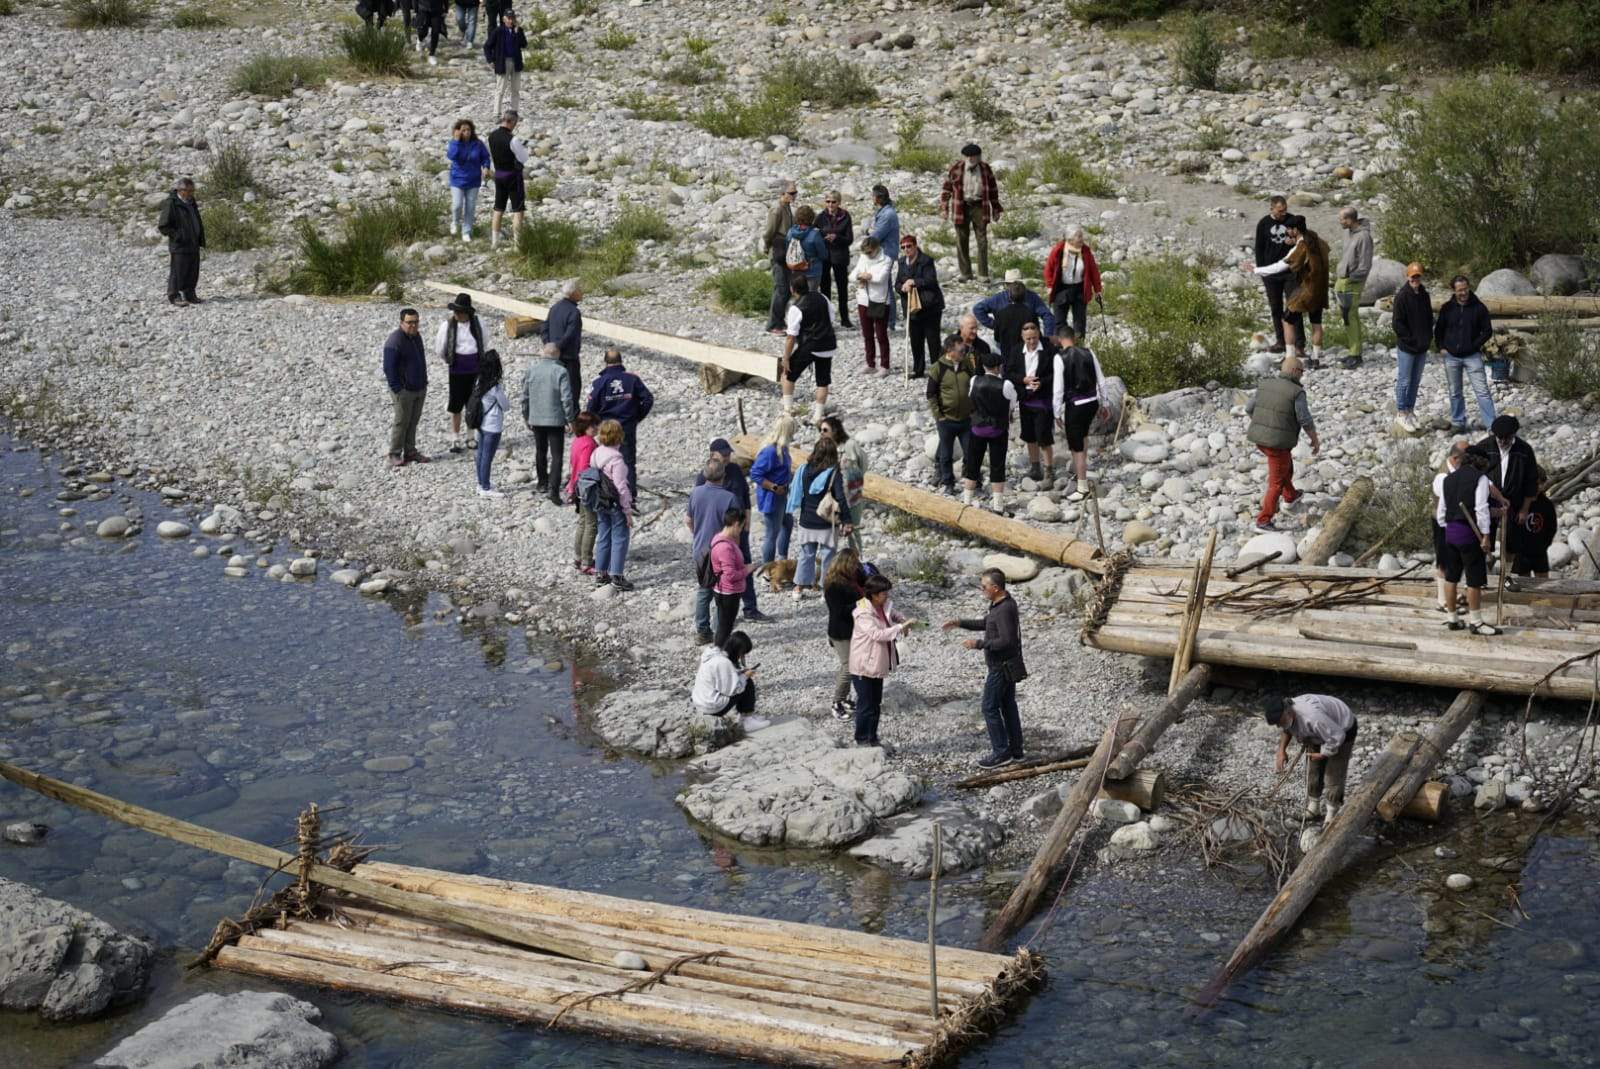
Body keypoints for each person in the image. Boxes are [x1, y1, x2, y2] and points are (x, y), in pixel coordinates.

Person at [943, 568, 1025, 769]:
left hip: (1001, 667)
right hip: (1005, 666)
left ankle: (1001, 752)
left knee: (989, 708)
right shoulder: (999, 605)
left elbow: (1007, 640)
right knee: (1008, 706)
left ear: (995, 588)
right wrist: (960, 623)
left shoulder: (1004, 609)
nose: (982, 590)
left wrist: (979, 644)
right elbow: (986, 624)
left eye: (984, 587)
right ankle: (1016, 751)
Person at [1244, 354, 1319, 534]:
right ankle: (1263, 520)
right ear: (1294, 371)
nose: (1302, 375)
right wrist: (1314, 439)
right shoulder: (1296, 392)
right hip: (1276, 444)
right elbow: (1304, 419)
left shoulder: (1265, 384)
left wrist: (1262, 424)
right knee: (1276, 482)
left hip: (1261, 440)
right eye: (1301, 371)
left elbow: (1248, 408)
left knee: (1285, 467)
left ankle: (1291, 496)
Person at [1434, 443, 1500, 634]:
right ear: (1481, 463)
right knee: (1474, 579)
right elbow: (1481, 509)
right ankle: (1476, 622)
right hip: (1469, 535)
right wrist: (1486, 535)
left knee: (1451, 577)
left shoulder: (1448, 479)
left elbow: (1441, 512)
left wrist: (1449, 528)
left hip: (1450, 534)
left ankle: (1452, 618)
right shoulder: (1479, 479)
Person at [1246, 215, 1328, 367]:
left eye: (1289, 229)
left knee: (1286, 320)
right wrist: (1295, 242)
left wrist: (1256, 269)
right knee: (1316, 323)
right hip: (1321, 289)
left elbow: (1281, 265)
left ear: (1295, 230)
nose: (1288, 232)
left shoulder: (1301, 246)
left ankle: (1290, 357)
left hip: (1307, 289)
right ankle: (1316, 359)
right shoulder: (1317, 241)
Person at [1264, 693, 1357, 825]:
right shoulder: (1288, 715)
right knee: (1313, 770)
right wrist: (1281, 751)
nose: (1279, 726)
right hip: (1316, 733)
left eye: (1280, 722)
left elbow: (1337, 736)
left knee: (1333, 773)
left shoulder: (1312, 717)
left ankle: (1331, 815)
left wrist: (1324, 754)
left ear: (1288, 712)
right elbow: (1287, 729)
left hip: (1341, 729)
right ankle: (1314, 809)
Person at [699, 439, 766, 623]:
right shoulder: (705, 476)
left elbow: (745, 498)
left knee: (746, 568)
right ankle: (721, 615)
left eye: (729, 452)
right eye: (724, 453)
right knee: (721, 573)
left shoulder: (735, 470)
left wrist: (747, 525)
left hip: (739, 530)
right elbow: (700, 507)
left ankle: (750, 608)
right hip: (720, 535)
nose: (728, 456)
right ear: (713, 454)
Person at [850, 573, 915, 748]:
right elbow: (876, 634)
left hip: (877, 663)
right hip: (863, 665)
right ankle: (862, 738)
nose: (887, 596)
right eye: (884, 593)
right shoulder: (863, 613)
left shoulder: (882, 605)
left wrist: (902, 619)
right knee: (865, 703)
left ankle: (872, 736)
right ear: (874, 594)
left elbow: (891, 613)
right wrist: (901, 627)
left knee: (876, 702)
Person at [787, 435, 852, 598]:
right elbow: (841, 498)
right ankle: (826, 589)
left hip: (807, 521)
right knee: (828, 557)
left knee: (806, 555)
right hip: (826, 522)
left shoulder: (803, 469)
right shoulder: (833, 473)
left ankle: (798, 588)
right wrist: (847, 520)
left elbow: (798, 493)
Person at [585, 347, 653, 499]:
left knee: (605, 460)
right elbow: (648, 399)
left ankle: (608, 495)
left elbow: (590, 408)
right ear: (621, 360)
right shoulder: (632, 379)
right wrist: (637, 416)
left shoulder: (598, 382)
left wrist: (598, 424)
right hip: (627, 425)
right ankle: (630, 498)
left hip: (606, 426)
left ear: (605, 362)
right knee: (628, 461)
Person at [1435, 274, 1496, 434]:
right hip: (1451, 356)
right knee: (1455, 391)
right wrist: (1441, 347)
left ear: (1469, 287)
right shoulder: (1447, 308)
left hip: (1472, 356)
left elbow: (1487, 331)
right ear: (1453, 290)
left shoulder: (1479, 307)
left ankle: (1491, 425)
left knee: (1482, 390)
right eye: (1460, 290)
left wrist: (1474, 345)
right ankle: (1458, 423)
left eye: (1465, 289)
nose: (1463, 293)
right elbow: (1439, 329)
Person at [1054, 324, 1108, 504]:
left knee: (1076, 447)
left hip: (1075, 404)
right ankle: (1080, 475)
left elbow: (1058, 389)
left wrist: (1057, 412)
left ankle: (1082, 487)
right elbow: (1100, 378)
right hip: (1092, 402)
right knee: (1083, 438)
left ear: (1059, 339)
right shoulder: (1089, 352)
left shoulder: (1060, 357)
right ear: (1074, 338)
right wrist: (1105, 402)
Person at [686, 457, 738, 644]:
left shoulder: (696, 493)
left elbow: (689, 521)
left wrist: (698, 534)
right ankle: (720, 632)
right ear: (723, 475)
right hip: (722, 550)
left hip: (700, 549)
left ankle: (702, 631)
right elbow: (735, 528)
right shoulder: (729, 498)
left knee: (704, 591)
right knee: (723, 593)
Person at [963, 350, 1018, 512]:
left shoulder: (974, 380)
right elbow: (1012, 404)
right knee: (997, 466)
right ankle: (998, 505)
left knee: (973, 464)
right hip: (997, 429)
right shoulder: (1006, 385)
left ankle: (966, 501)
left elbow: (971, 398)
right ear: (998, 367)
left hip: (977, 428)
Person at [939, 143, 1003, 282]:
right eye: (969, 156)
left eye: (974, 156)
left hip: (980, 205)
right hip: (961, 206)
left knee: (982, 240)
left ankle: (983, 274)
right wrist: (944, 208)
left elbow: (993, 190)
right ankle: (966, 273)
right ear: (965, 157)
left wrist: (996, 209)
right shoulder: (956, 169)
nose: (971, 158)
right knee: (961, 240)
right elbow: (946, 190)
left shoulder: (985, 169)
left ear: (979, 156)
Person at [521, 342, 574, 505]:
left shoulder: (531, 370)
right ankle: (553, 488)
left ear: (543, 353)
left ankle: (542, 483)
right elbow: (566, 398)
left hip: (536, 417)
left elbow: (525, 397)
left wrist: (526, 416)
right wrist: (570, 418)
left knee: (540, 450)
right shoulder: (561, 371)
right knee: (557, 455)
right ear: (557, 354)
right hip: (555, 419)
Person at [781, 277, 837, 426]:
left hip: (811, 344)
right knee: (822, 381)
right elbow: (832, 317)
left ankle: (788, 410)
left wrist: (786, 358)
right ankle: (818, 416)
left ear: (792, 289)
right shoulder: (822, 297)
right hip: (829, 343)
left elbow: (790, 337)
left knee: (787, 375)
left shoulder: (796, 308)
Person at [1010, 321, 1059, 488]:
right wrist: (1022, 379)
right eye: (1028, 338)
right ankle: (1035, 466)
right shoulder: (1016, 351)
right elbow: (1008, 372)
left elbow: (1056, 373)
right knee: (1029, 435)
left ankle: (1049, 470)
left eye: (1034, 337)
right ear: (1023, 337)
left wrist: (1043, 383)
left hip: (1042, 400)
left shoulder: (1049, 350)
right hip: (1025, 399)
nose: (1032, 341)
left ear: (1039, 334)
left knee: (1044, 437)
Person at [1479, 413, 1538, 550]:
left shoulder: (1525, 450)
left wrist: (1525, 509)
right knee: (1484, 539)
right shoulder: (1483, 448)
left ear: (1514, 435)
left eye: (1508, 438)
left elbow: (1531, 481)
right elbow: (1474, 475)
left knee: (1513, 542)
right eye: (1500, 438)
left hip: (1514, 500)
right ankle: (1487, 566)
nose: (1504, 442)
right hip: (1488, 501)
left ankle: (1507, 570)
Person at [436, 292, 485, 452]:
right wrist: (450, 360)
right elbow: (440, 348)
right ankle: (455, 438)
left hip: (474, 369)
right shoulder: (447, 326)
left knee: (472, 404)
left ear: (467, 313)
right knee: (455, 405)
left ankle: (471, 437)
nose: (457, 314)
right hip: (457, 369)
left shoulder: (478, 324)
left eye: (460, 312)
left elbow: (485, 341)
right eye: (455, 311)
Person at [927, 337, 976, 496]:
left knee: (971, 452)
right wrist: (938, 415)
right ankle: (948, 482)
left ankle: (973, 481)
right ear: (950, 351)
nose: (964, 353)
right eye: (961, 351)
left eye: (965, 350)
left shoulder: (967, 364)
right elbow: (931, 394)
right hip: (946, 420)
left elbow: (975, 384)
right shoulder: (937, 368)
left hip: (966, 419)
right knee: (946, 455)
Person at [591, 418, 635, 590]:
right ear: (619, 437)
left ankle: (600, 573)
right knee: (620, 537)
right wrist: (628, 511)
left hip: (600, 500)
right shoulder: (617, 460)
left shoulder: (596, 453)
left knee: (603, 535)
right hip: (615, 503)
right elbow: (621, 488)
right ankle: (617, 574)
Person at [382, 308, 429, 468]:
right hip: (404, 390)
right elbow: (388, 368)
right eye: (410, 322)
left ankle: (410, 451)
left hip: (419, 387)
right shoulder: (395, 341)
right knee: (401, 421)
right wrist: (397, 389)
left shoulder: (417, 337)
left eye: (416, 322)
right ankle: (394, 453)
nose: (413, 325)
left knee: (413, 421)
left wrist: (424, 382)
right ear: (402, 322)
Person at [823, 548, 866, 721]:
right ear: (846, 564)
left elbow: (866, 583)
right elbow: (839, 611)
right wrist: (861, 604)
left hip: (853, 629)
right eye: (854, 562)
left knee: (852, 666)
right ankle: (837, 702)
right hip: (841, 632)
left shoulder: (852, 578)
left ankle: (845, 698)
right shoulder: (834, 585)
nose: (857, 565)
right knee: (848, 667)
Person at [974, 270, 1055, 361]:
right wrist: (994, 325)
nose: (1015, 287)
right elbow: (978, 309)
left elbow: (1047, 316)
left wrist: (1048, 336)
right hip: (1007, 343)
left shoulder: (1031, 297)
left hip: (1028, 343)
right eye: (1012, 284)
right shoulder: (998, 298)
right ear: (1006, 285)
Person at [749, 415, 798, 565]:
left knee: (787, 523)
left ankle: (782, 559)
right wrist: (773, 487)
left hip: (783, 495)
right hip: (772, 497)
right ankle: (767, 569)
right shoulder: (770, 451)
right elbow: (755, 473)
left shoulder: (782, 449)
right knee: (772, 533)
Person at [1391, 262, 1434, 435]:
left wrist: (1428, 337)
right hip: (1407, 347)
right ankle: (1401, 412)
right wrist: (1410, 339)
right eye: (1413, 276)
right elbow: (1397, 324)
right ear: (1408, 277)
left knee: (1415, 381)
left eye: (1418, 276)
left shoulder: (1424, 295)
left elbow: (1429, 317)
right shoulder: (1401, 297)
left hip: (1422, 346)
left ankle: (1410, 410)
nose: (1416, 279)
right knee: (1404, 380)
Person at [895, 234, 944, 378]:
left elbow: (931, 281)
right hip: (912, 307)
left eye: (909, 246)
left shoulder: (926, 261)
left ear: (915, 246)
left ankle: (937, 371)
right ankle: (918, 370)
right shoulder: (902, 262)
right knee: (916, 340)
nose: (906, 249)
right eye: (903, 247)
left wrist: (914, 281)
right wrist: (902, 287)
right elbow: (897, 283)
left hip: (930, 307)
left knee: (933, 340)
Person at [1042, 227, 1103, 342]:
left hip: (1079, 288)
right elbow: (1048, 269)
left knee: (1079, 322)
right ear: (1070, 240)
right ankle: (1062, 346)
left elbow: (1093, 270)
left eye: (1081, 236)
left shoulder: (1085, 251)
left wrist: (1097, 289)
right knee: (1059, 321)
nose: (1081, 239)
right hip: (1061, 288)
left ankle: (1078, 346)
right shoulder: (1059, 250)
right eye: (1078, 237)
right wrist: (1050, 286)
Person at [820, 416, 868, 555]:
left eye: (824, 430)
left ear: (834, 430)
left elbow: (863, 464)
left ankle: (856, 561)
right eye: (820, 430)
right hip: (833, 497)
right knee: (830, 531)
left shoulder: (850, 445)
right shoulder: (825, 447)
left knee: (853, 530)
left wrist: (855, 481)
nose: (821, 433)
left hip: (852, 497)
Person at [1252, 195, 1294, 352]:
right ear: (1272, 209)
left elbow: (1303, 241)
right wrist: (1262, 270)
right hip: (1270, 272)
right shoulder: (1264, 223)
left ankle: (1297, 343)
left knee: (1293, 307)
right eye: (1280, 211)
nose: (1283, 214)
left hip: (1290, 271)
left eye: (1285, 210)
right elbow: (1259, 248)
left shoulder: (1293, 221)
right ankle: (1280, 341)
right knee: (1276, 307)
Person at [1334, 206, 1374, 368]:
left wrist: (1351, 279)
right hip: (1343, 280)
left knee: (1350, 315)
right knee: (1348, 317)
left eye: (1342, 219)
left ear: (1350, 219)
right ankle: (1353, 351)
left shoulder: (1364, 237)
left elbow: (1365, 265)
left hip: (1353, 282)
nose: (1340, 221)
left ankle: (1356, 355)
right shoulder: (1348, 233)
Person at [156, 177, 205, 306]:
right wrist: (178, 236)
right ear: (180, 189)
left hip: (193, 243)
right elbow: (163, 225)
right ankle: (174, 296)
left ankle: (190, 294)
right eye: (188, 191)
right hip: (180, 245)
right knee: (178, 271)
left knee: (193, 270)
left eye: (192, 191)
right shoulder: (171, 203)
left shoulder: (191, 201)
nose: (190, 193)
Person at [708, 507, 752, 647]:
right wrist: (747, 569)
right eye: (741, 526)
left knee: (724, 623)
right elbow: (731, 575)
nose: (741, 530)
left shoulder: (721, 538)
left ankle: (720, 650)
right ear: (735, 524)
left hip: (725, 590)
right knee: (725, 626)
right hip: (728, 592)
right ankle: (719, 653)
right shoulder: (725, 547)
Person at [486, 109, 528, 250]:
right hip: (513, 177)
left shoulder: (491, 136)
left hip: (499, 175)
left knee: (498, 208)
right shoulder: (513, 139)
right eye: (515, 123)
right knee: (518, 209)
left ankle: (494, 243)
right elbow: (523, 158)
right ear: (511, 122)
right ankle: (517, 245)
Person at [852, 236, 894, 375]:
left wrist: (867, 276)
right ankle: (870, 363)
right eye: (866, 253)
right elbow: (852, 275)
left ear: (877, 248)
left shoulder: (886, 260)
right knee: (867, 334)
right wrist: (860, 276)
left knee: (881, 335)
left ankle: (885, 365)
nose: (868, 255)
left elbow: (881, 278)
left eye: (870, 252)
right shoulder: (863, 258)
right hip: (863, 300)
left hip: (880, 301)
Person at [541, 279, 584, 415]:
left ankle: (556, 413)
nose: (582, 293)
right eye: (579, 290)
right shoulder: (574, 312)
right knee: (572, 387)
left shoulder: (554, 308)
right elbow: (570, 335)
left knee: (555, 386)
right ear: (573, 293)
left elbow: (544, 328)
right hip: (569, 356)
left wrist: (548, 345)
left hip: (553, 357)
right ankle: (573, 416)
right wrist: (557, 347)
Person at [691, 631, 758, 717]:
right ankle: (747, 720)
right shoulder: (723, 662)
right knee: (747, 684)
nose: (741, 657)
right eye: (742, 654)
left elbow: (722, 678)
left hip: (700, 702)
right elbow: (734, 690)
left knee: (743, 679)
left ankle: (747, 718)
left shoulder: (713, 654)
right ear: (737, 650)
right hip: (711, 707)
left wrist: (738, 673)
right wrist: (745, 676)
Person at [446, 119, 491, 244]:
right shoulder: (454, 143)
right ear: (458, 131)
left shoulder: (477, 144)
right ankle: (454, 222)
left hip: (473, 180)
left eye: (469, 130)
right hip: (457, 180)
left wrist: (486, 167)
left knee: (470, 207)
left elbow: (485, 157)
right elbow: (451, 156)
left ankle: (466, 231)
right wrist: (456, 141)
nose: (467, 132)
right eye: (463, 130)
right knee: (457, 205)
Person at [564, 413, 599, 574]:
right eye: (593, 426)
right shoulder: (589, 443)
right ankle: (586, 562)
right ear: (585, 427)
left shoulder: (577, 441)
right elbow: (586, 467)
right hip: (587, 488)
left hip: (577, 486)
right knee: (591, 525)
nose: (596, 428)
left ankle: (578, 558)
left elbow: (575, 465)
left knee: (582, 522)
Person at [472, 350, 509, 498]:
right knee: (487, 456)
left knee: (480, 454)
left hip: (481, 423)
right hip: (493, 425)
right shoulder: (495, 387)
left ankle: (481, 483)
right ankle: (486, 487)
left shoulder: (478, 381)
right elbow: (506, 406)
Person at [763, 180, 798, 335]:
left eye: (795, 192)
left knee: (787, 289)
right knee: (781, 288)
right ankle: (773, 324)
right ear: (782, 193)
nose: (794, 195)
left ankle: (779, 320)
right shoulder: (777, 209)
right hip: (779, 249)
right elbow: (769, 232)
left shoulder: (787, 207)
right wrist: (767, 247)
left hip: (787, 249)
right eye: (791, 193)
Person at [818, 191, 854, 328]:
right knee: (825, 289)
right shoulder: (821, 217)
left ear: (839, 202)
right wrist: (823, 237)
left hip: (840, 256)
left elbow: (850, 239)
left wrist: (836, 238)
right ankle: (826, 318)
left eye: (833, 202)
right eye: (828, 201)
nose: (830, 204)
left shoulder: (845, 216)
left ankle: (845, 318)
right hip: (825, 256)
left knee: (842, 289)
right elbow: (815, 233)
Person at [868, 184, 901, 331]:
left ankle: (889, 321)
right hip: (883, 253)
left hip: (885, 255)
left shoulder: (887, 215)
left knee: (885, 288)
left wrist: (867, 230)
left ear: (878, 197)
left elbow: (875, 235)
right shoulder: (885, 212)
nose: (872, 198)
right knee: (883, 286)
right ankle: (886, 320)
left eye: (873, 195)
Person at [1513, 468, 1556, 579]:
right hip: (1521, 552)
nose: (1539, 487)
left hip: (1539, 551)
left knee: (1543, 582)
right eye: (1536, 484)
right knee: (1523, 582)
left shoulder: (1546, 504)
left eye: (1542, 484)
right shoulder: (1518, 502)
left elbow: (1552, 527)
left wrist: (1545, 544)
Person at [484, 10, 527, 121]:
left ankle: (514, 113)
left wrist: (518, 33)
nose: (511, 20)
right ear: (504, 19)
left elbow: (524, 44)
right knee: (500, 89)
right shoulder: (498, 31)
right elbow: (487, 46)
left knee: (515, 89)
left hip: (516, 62)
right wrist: (490, 60)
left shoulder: (517, 30)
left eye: (512, 18)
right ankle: (496, 114)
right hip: (503, 62)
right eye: (508, 18)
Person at [785, 205, 829, 293]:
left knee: (798, 297)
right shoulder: (815, 235)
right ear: (811, 218)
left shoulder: (791, 232)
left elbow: (787, 248)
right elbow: (823, 255)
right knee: (811, 297)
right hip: (813, 271)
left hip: (796, 270)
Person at [415, 0, 445, 64]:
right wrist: (416, 9)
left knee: (436, 31)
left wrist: (446, 9)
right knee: (422, 31)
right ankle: (420, 39)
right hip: (423, 8)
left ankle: (432, 55)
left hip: (437, 9)